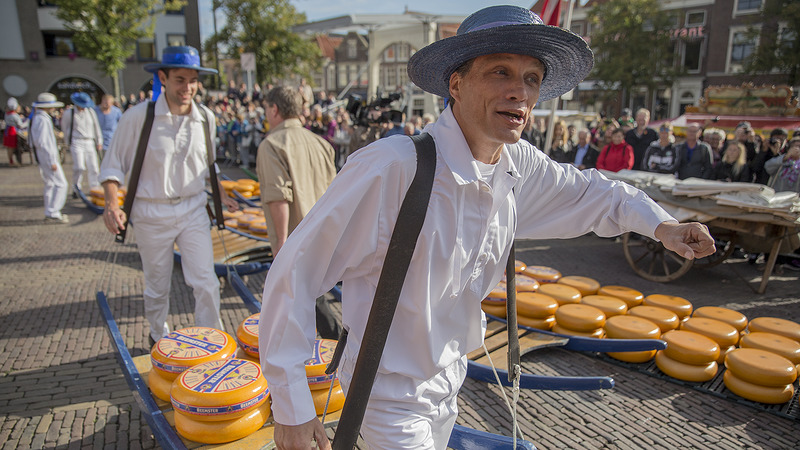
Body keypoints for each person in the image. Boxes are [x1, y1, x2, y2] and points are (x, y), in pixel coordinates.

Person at [258, 6, 715, 449]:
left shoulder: (518, 166)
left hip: (449, 384)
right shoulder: (392, 167)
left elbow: (596, 193)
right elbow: (295, 273)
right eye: (501, 72)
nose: (520, 91)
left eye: (531, 79)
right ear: (456, 84)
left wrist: (663, 227)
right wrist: (293, 408)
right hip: (387, 396)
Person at [99, 46, 238, 345]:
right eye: (179, 79)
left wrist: (221, 194)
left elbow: (206, 165)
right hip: (151, 213)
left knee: (206, 282)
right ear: (162, 77)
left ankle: (213, 341)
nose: (187, 88)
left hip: (193, 209)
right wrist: (112, 204)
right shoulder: (137, 117)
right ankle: (157, 337)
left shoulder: (205, 118)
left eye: (192, 80)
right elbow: (112, 166)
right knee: (157, 285)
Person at [255, 86, 340, 339]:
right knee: (314, 299)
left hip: (296, 240)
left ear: (274, 109)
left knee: (307, 305)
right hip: (324, 235)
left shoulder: (271, 144)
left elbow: (278, 196)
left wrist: (280, 245)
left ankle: (334, 354)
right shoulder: (321, 144)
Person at [30, 93, 69, 224]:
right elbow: (44, 142)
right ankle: (54, 211)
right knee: (61, 184)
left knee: (50, 184)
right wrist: (52, 160)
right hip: (47, 157)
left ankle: (50, 210)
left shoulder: (39, 118)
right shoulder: (42, 119)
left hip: (44, 157)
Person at [62, 92, 103, 192]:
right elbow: (65, 128)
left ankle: (94, 187)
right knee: (79, 167)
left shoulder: (90, 112)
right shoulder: (69, 113)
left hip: (89, 141)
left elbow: (96, 126)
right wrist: (68, 142)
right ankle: (76, 187)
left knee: (94, 167)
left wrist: (99, 141)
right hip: (76, 141)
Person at [4, 97, 26, 166]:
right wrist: (27, 122)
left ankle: (11, 161)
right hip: (13, 131)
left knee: (9, 147)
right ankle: (12, 162)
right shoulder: (15, 115)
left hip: (7, 130)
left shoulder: (7, 114)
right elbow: (20, 125)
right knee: (12, 147)